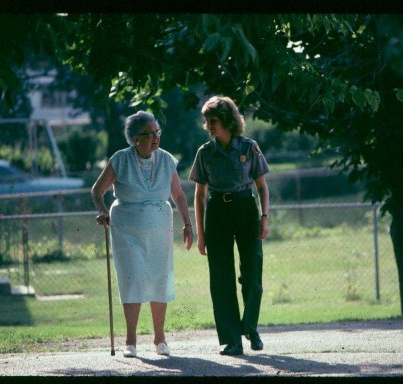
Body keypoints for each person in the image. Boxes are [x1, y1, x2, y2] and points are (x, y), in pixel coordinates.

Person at [91, 111, 193, 358]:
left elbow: (178, 195)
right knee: (133, 277)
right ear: (135, 138)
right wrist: (103, 211)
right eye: (149, 133)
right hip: (126, 229)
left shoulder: (166, 160)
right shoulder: (120, 160)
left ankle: (160, 339)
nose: (155, 137)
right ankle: (130, 341)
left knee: (159, 277)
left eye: (157, 132)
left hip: (160, 227)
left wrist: (188, 224)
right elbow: (98, 190)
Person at [189, 96, 270, 356]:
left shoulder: (249, 147)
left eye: (213, 121)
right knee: (221, 280)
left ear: (227, 121)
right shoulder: (205, 152)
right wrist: (201, 234)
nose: (209, 126)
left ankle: (251, 328)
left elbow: (262, 187)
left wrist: (265, 217)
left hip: (246, 210)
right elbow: (200, 195)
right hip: (217, 213)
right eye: (206, 121)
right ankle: (232, 340)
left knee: (252, 276)